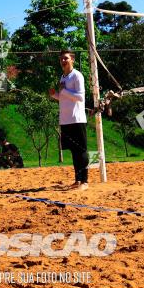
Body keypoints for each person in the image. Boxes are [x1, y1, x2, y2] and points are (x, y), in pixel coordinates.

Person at [49, 50, 89, 190]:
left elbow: (80, 97)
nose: (63, 61)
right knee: (74, 151)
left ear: (72, 59)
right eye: (61, 59)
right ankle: (77, 180)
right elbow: (64, 97)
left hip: (77, 119)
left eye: (66, 58)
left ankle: (84, 181)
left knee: (81, 151)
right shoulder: (63, 77)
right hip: (65, 120)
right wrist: (55, 95)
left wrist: (63, 91)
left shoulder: (77, 75)